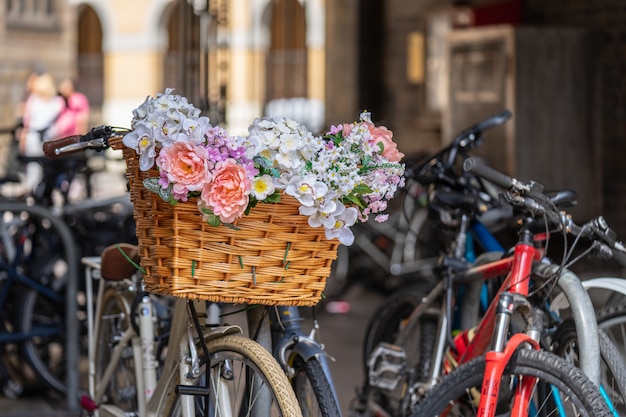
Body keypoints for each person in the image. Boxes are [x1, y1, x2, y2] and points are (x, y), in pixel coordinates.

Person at [19, 72, 65, 193]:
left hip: (35, 138)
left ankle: (34, 197)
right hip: (48, 138)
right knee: (45, 170)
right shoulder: (57, 102)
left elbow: (26, 121)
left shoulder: (34, 100)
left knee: (34, 170)